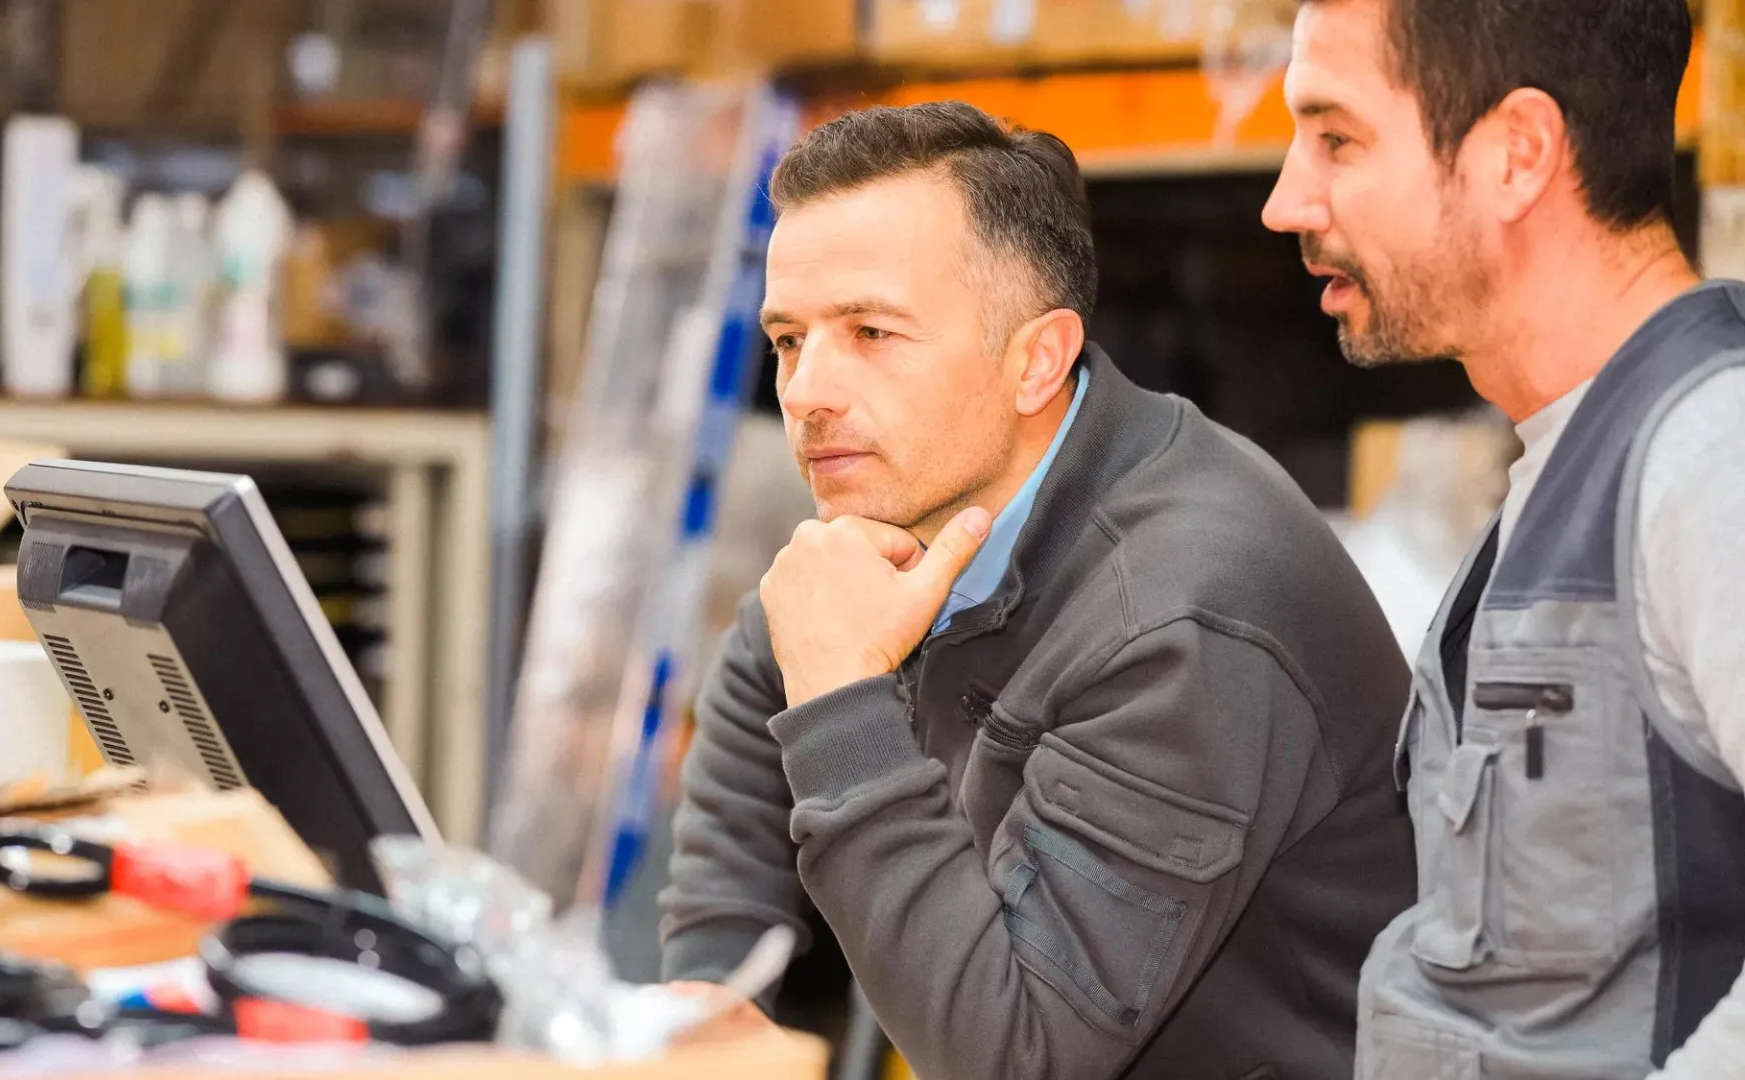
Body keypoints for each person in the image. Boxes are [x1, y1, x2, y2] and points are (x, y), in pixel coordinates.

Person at [658, 100, 1416, 1080]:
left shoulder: (1184, 615)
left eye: (872, 332)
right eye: (791, 340)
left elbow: (1018, 1061)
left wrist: (845, 708)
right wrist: (710, 1020)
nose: (804, 393)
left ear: (1036, 361)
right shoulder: (910, 510)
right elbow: (766, 676)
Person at [1262, 0, 1745, 1076]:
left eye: (1337, 137)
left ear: (1517, 155)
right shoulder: (1576, 451)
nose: (1286, 201)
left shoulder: (1710, 454)